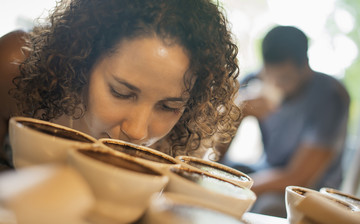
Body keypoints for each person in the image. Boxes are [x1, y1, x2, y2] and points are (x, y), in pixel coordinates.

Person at [0, 0, 241, 169]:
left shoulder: (180, 143)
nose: (137, 132)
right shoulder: (16, 68)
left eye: (168, 107)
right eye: (121, 92)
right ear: (81, 59)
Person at [221, 25, 350, 217]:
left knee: (269, 206)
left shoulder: (329, 95)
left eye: (285, 78)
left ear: (305, 66)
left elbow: (300, 178)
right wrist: (238, 114)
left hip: (312, 192)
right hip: (268, 169)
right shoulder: (255, 81)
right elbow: (215, 155)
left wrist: (237, 189)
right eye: (270, 75)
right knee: (225, 174)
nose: (276, 83)